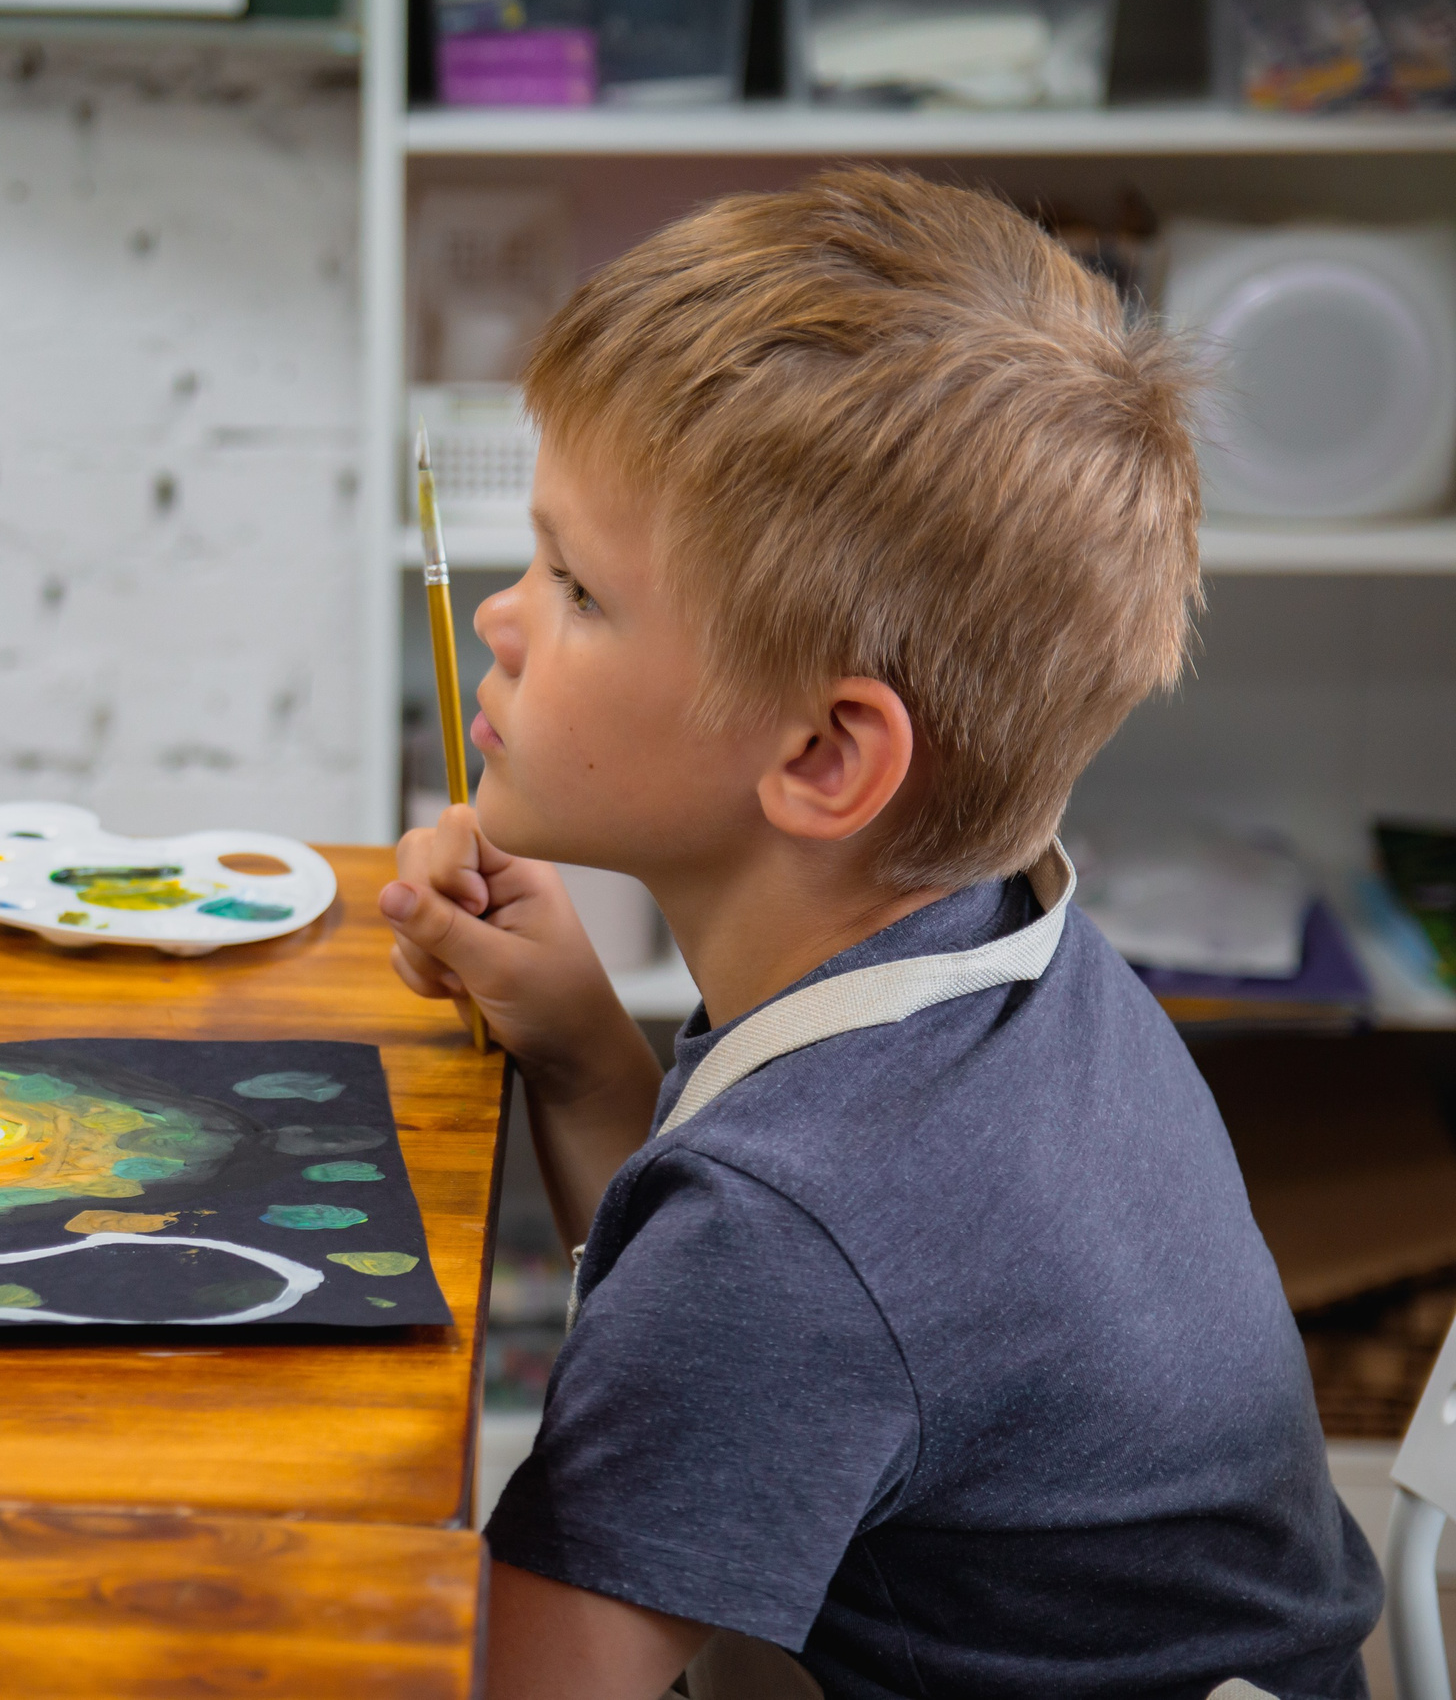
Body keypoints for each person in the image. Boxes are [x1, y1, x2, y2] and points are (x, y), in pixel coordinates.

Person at [381, 169, 1382, 1700]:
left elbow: (514, 1685)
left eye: (580, 587)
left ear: (826, 761)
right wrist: (587, 1057)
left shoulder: (792, 1227)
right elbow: (767, 1337)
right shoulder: (992, 952)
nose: (504, 620)